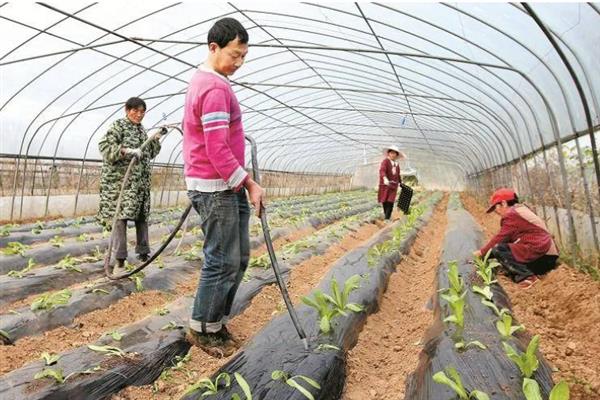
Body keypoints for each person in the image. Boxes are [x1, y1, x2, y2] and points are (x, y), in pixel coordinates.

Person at [182, 17, 265, 358]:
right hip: (216, 188)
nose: (239, 62)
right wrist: (248, 183)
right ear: (213, 48)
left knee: (239, 257)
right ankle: (202, 327)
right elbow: (216, 148)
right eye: (235, 55)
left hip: (224, 185)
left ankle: (214, 322)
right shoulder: (214, 88)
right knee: (222, 260)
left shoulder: (212, 82)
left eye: (244, 56)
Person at [98, 97, 164, 273]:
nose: (139, 115)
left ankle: (143, 254)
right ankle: (120, 260)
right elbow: (104, 147)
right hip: (121, 183)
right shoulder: (118, 126)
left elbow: (149, 152)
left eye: (142, 112)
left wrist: (155, 139)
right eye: (135, 111)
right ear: (127, 110)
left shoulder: (141, 130)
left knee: (141, 216)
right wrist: (125, 151)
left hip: (139, 183)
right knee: (121, 218)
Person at [473, 188, 559, 289]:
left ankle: (528, 277)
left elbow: (500, 239)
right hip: (548, 256)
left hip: (543, 256)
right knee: (504, 255)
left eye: (496, 207)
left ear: (504, 203)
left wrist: (481, 253)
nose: (496, 211)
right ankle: (525, 273)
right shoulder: (520, 210)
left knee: (499, 249)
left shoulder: (512, 215)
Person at [378, 145, 403, 222]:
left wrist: (400, 183)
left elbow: (398, 174)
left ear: (396, 155)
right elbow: (382, 170)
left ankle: (387, 218)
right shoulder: (385, 161)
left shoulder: (397, 164)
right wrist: (385, 178)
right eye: (391, 153)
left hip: (393, 186)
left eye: (395, 153)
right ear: (388, 153)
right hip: (385, 185)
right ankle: (386, 216)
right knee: (384, 201)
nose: (393, 154)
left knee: (390, 201)